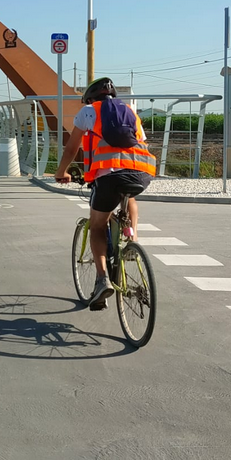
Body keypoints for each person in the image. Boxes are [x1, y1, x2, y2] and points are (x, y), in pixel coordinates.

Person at [55, 77, 157, 310]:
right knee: (129, 197)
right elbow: (141, 142)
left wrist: (60, 172)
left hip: (109, 176)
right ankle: (133, 241)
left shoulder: (89, 111)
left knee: (97, 226)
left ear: (90, 98)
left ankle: (102, 280)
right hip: (141, 173)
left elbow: (72, 148)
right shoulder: (131, 112)